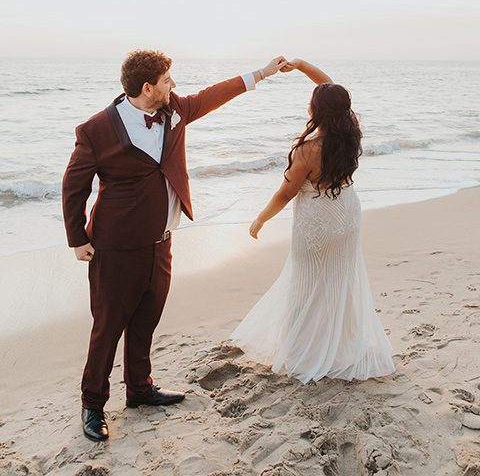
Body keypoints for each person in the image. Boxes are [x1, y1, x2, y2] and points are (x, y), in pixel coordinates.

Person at [62, 50, 287, 441]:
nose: (174, 86)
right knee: (108, 328)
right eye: (167, 80)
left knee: (147, 318)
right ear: (147, 88)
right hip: (115, 249)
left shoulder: (175, 110)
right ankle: (93, 406)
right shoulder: (96, 130)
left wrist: (263, 73)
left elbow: (214, 95)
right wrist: (78, 238)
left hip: (161, 243)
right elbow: (73, 186)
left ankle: (139, 389)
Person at [231, 58, 395, 383]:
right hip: (347, 214)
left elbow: (284, 194)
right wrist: (303, 66)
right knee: (338, 283)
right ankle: (338, 348)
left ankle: (304, 353)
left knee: (306, 286)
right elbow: (333, 91)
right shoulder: (350, 131)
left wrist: (259, 220)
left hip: (318, 222)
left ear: (316, 112)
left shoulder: (309, 150)